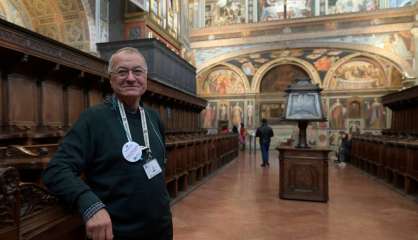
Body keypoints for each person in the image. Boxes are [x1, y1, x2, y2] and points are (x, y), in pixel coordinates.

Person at [42, 47, 172, 240]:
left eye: (137, 71)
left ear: (146, 78)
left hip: (160, 228)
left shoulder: (153, 119)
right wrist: (90, 205)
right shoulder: (93, 119)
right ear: (111, 79)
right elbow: (56, 170)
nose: (130, 78)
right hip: (116, 232)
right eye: (122, 72)